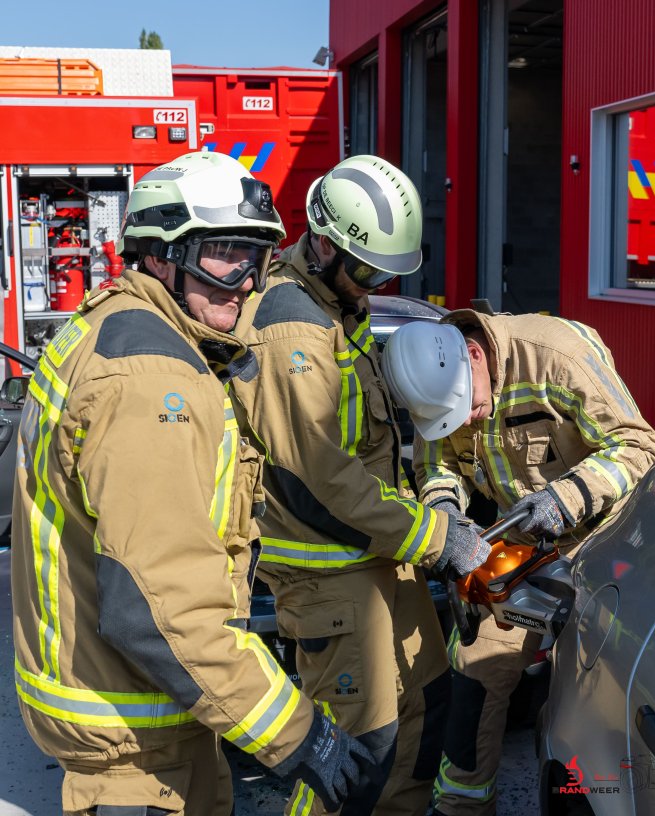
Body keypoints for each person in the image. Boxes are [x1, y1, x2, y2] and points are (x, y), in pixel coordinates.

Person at [10, 151, 374, 815]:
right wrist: (301, 735)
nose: (242, 281)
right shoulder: (153, 380)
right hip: (134, 743)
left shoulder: (111, 327)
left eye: (257, 257)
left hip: (147, 709)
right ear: (156, 253)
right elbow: (161, 610)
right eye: (222, 255)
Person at [230, 154, 489, 815]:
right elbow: (325, 481)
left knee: (426, 712)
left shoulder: (338, 304)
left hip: (380, 555)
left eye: (387, 274)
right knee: (353, 760)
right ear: (320, 242)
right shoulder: (293, 327)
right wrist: (438, 538)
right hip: (331, 575)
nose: (373, 285)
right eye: (367, 269)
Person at [383, 311, 655, 816]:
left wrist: (566, 498)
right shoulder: (440, 383)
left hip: (606, 543)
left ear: (474, 356)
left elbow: (639, 447)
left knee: (596, 697)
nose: (467, 422)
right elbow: (436, 463)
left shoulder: (556, 357)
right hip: (524, 547)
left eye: (466, 409)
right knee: (473, 676)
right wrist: (445, 509)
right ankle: (462, 807)